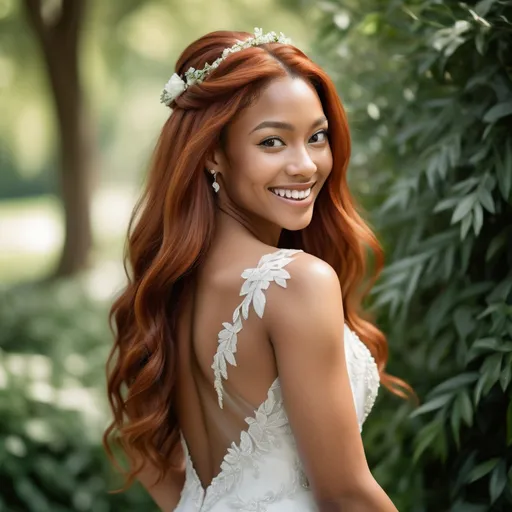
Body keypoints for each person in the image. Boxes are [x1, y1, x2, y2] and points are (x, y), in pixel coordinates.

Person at [104, 28, 409, 511]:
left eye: (317, 137)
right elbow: (345, 494)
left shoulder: (172, 282)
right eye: (272, 142)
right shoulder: (297, 282)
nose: (305, 165)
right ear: (212, 153)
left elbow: (149, 459)